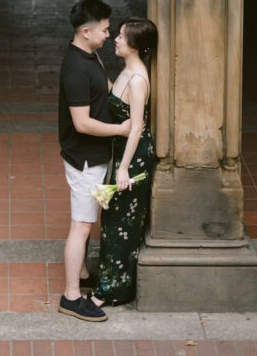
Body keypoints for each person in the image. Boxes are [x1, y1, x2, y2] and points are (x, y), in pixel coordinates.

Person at [58, 0, 130, 324]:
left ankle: (84, 271)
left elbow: (107, 89)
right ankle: (71, 296)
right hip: (86, 160)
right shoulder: (76, 69)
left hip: (96, 157)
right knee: (81, 225)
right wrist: (122, 128)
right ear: (86, 32)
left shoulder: (90, 55)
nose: (108, 34)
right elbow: (82, 123)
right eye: (103, 30)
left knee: (86, 223)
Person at [88, 18, 158, 309]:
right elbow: (112, 93)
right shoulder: (126, 72)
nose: (115, 39)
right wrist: (93, 62)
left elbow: (137, 127)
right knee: (112, 220)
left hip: (133, 154)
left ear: (134, 46)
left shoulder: (139, 80)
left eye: (120, 37)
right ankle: (108, 282)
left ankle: (112, 291)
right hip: (121, 150)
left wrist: (123, 167)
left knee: (121, 224)